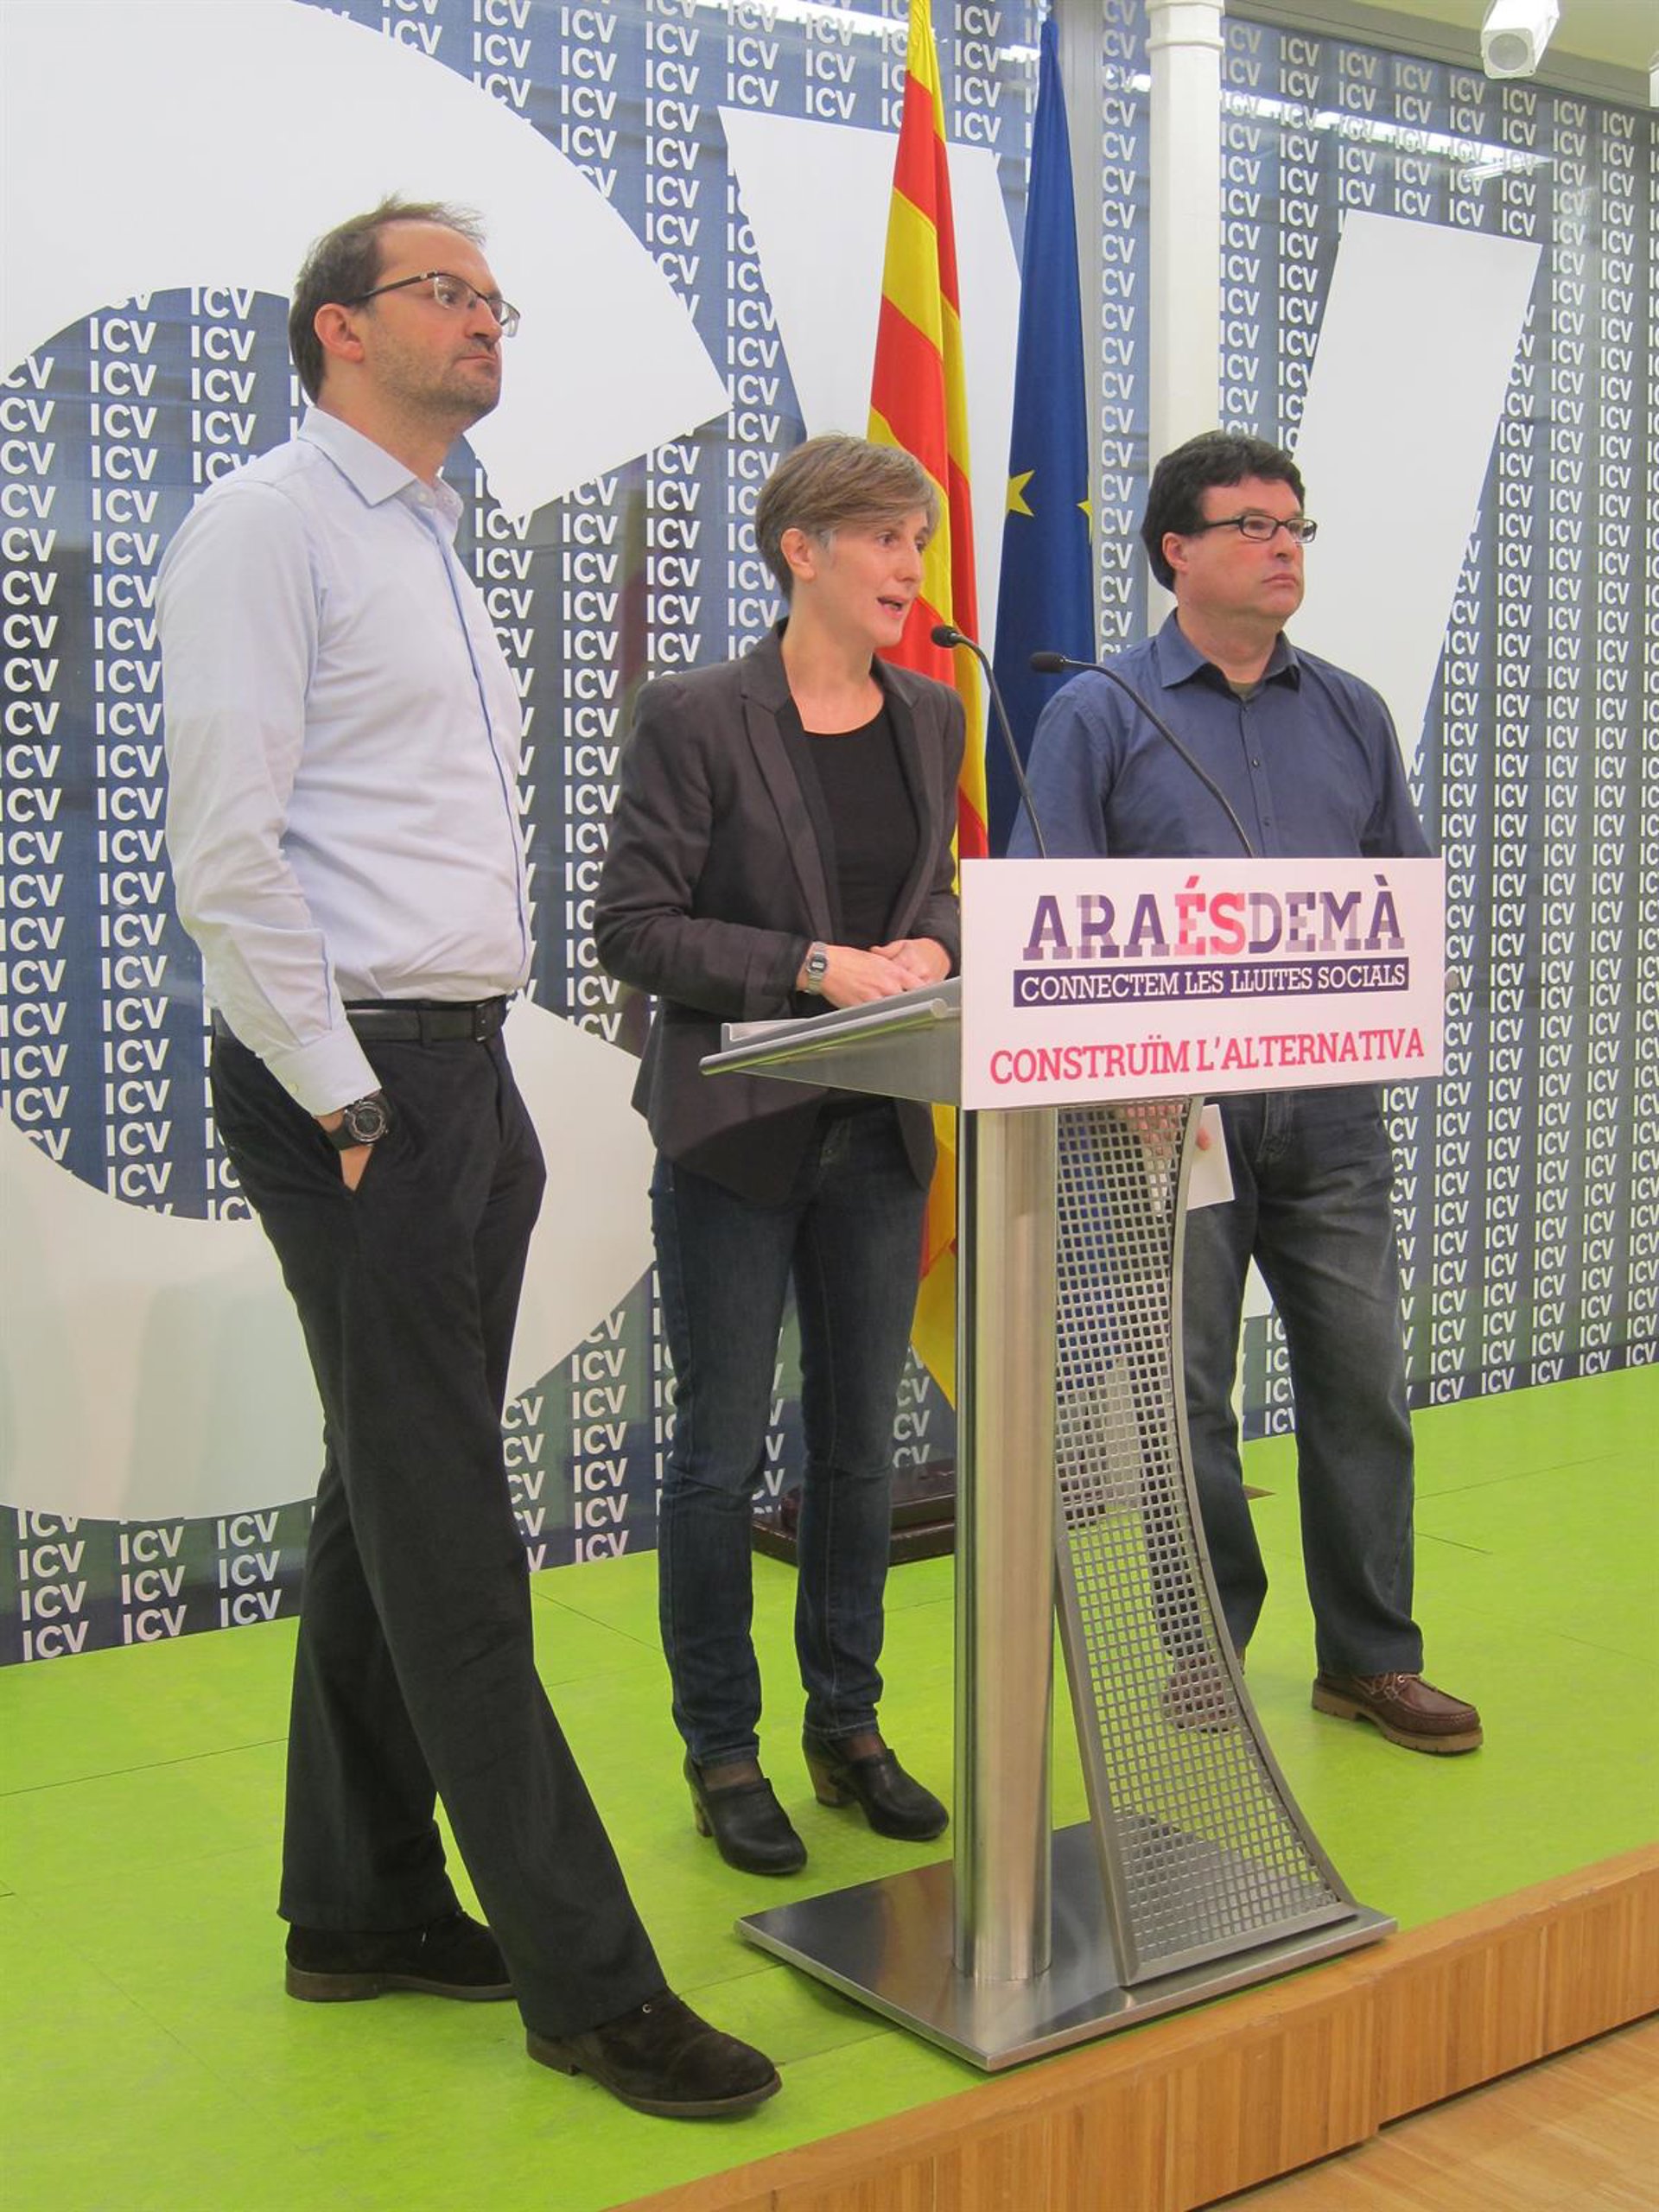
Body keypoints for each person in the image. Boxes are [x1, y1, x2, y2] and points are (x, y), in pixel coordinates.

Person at [159, 198, 779, 2118]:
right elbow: (228, 852)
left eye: (497, 298)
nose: (487, 319)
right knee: (447, 1531)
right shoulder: (268, 525)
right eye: (448, 292)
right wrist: (345, 1097)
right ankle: (592, 1985)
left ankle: (356, 1909)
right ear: (339, 328)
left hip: (456, 1070)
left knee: (386, 1485)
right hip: (358, 1087)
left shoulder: (427, 534)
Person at [1014, 430, 1482, 1757]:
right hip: (1171, 1118)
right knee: (1185, 1402)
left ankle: (1371, 1660)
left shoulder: (1351, 711)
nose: (1284, 547)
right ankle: (1203, 1649)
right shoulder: (1098, 709)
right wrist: (1124, 1069)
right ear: (1178, 551)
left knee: (1361, 1383)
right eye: (1254, 526)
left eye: (1296, 527)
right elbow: (1052, 913)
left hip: (1331, 1112)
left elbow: (1399, 894)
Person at [594, 435, 962, 1873]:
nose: (910, 568)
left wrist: (935, 944)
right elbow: (634, 928)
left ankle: (847, 1727)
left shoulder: (932, 713)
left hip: (881, 1125)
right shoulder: (695, 713)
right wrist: (809, 965)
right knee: (719, 1453)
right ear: (801, 550)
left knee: (859, 1448)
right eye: (883, 539)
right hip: (737, 1135)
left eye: (919, 542)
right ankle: (724, 1751)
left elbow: (937, 889)